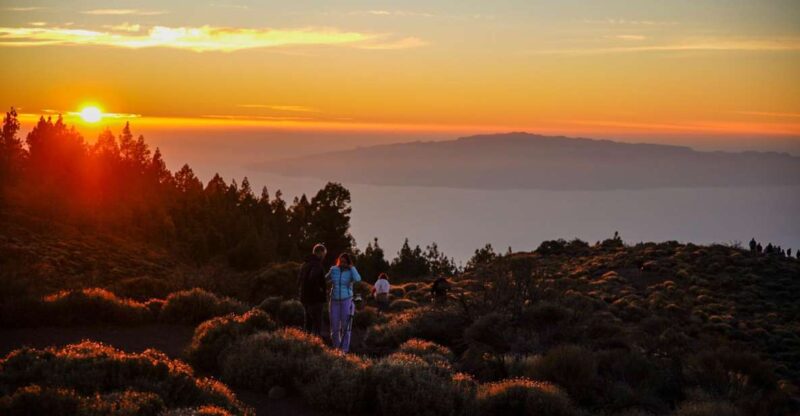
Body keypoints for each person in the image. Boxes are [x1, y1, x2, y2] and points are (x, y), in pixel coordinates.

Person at [327, 253, 361, 352]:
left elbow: (358, 279)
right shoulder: (333, 270)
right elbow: (325, 278)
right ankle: (336, 349)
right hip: (334, 301)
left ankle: (344, 350)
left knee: (346, 328)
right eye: (341, 261)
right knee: (334, 327)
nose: (342, 264)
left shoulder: (351, 271)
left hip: (347, 301)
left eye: (345, 262)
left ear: (348, 263)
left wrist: (352, 268)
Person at [297, 244, 327, 336]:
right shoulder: (317, 264)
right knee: (317, 323)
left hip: (304, 298)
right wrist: (320, 291)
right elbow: (312, 278)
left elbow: (298, 281)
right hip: (315, 299)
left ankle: (307, 343)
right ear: (320, 253)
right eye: (324, 254)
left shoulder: (304, 264)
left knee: (308, 323)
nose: (324, 256)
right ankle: (317, 344)